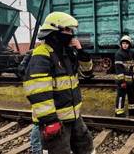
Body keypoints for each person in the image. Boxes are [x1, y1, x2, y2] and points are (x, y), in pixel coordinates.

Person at [23, 12, 95, 154]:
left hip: (74, 116)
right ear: (54, 31)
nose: (71, 34)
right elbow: (38, 92)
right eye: (67, 30)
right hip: (56, 120)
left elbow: (87, 73)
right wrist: (50, 121)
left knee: (87, 148)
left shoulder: (66, 53)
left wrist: (81, 52)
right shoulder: (42, 55)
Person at [114, 35, 134, 117]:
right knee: (121, 96)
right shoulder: (119, 54)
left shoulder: (131, 53)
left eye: (126, 43)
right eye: (123, 43)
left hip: (130, 81)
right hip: (123, 81)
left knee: (132, 95)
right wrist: (122, 82)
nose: (125, 45)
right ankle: (119, 112)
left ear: (129, 44)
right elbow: (119, 69)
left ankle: (132, 110)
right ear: (121, 44)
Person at [18, 49, 43, 154]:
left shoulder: (29, 75)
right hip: (42, 111)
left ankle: (37, 150)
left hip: (40, 112)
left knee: (37, 133)